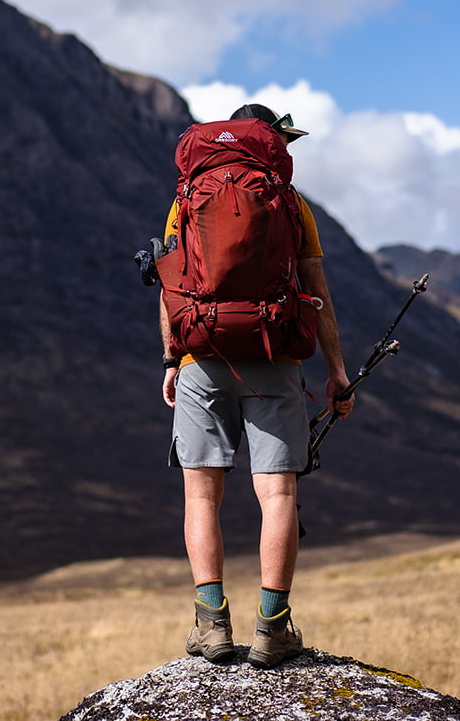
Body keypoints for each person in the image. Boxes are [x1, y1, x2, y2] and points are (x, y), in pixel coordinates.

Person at [159, 102, 353, 668]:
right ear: (270, 141)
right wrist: (337, 371)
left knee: (201, 496)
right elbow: (316, 290)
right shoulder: (290, 201)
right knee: (278, 495)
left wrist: (172, 358)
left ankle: (212, 625)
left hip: (201, 355)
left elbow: (172, 283)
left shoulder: (187, 196)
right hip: (274, 353)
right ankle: (272, 628)